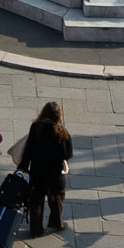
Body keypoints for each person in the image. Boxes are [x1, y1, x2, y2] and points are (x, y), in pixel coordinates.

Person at [19, 100, 74, 238]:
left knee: (36, 202)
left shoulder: (36, 128)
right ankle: (55, 223)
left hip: (38, 172)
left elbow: (29, 149)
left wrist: (24, 166)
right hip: (55, 174)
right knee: (57, 199)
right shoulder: (63, 133)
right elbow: (68, 155)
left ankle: (35, 229)